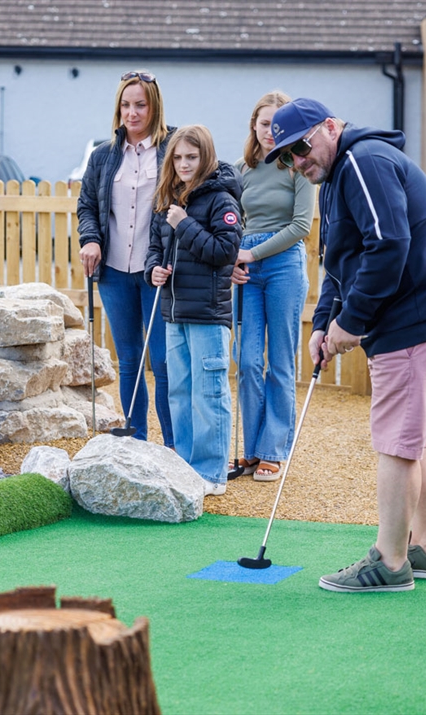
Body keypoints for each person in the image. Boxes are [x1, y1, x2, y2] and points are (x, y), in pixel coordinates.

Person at [263, 98, 426, 593]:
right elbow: (341, 260)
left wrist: (351, 323)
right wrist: (323, 322)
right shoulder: (336, 178)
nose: (297, 161)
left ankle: (390, 561)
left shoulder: (362, 162)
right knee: (412, 438)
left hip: (417, 321)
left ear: (330, 127)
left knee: (396, 442)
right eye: (287, 156)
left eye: (301, 147)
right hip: (420, 317)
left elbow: (388, 245)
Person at [77, 71, 175, 448]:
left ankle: (172, 448)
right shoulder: (102, 155)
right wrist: (91, 240)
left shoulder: (172, 148)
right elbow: (86, 204)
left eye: (140, 105)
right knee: (130, 361)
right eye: (126, 104)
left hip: (158, 273)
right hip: (115, 272)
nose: (132, 113)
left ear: (154, 107)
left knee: (164, 363)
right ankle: (136, 444)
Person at [146, 125, 241, 496]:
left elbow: (223, 253)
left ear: (207, 158)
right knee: (180, 391)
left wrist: (184, 224)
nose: (184, 164)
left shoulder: (221, 200)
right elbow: (156, 247)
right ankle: (185, 467)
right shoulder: (168, 197)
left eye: (192, 157)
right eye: (179, 157)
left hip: (207, 313)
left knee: (209, 392)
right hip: (174, 310)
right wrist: (153, 269)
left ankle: (211, 474)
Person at [230, 91, 316, 481]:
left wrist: (253, 253)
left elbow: (301, 227)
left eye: (278, 125)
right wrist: (234, 259)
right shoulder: (240, 171)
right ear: (254, 124)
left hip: (283, 265)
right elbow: (231, 224)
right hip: (246, 269)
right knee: (248, 362)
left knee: (281, 362)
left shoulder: (299, 167)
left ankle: (273, 450)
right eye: (265, 123)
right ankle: (250, 448)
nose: (271, 131)